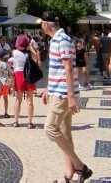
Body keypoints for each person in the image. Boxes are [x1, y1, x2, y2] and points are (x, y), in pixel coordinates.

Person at [39, 12, 93, 183]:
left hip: (63, 93)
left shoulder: (62, 41)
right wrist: (48, 88)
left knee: (50, 129)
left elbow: (69, 69)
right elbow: (58, 69)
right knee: (65, 133)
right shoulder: (57, 40)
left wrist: (70, 97)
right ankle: (69, 176)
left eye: (42, 23)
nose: (41, 26)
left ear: (47, 25)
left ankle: (80, 167)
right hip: (58, 90)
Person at [11, 35, 39, 128]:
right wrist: (30, 47)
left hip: (18, 75)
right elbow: (36, 57)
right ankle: (30, 123)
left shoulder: (14, 52)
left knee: (18, 100)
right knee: (30, 100)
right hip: (28, 75)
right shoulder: (28, 54)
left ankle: (15, 121)